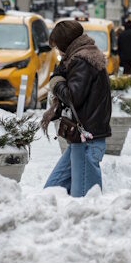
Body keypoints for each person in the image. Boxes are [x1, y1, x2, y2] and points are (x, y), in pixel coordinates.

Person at [42, 20, 112, 197]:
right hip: (82, 138)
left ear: (65, 44)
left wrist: (57, 82)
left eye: (58, 46)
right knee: (51, 192)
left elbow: (74, 96)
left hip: (87, 139)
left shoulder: (81, 61)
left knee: (82, 199)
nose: (58, 51)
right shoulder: (83, 56)